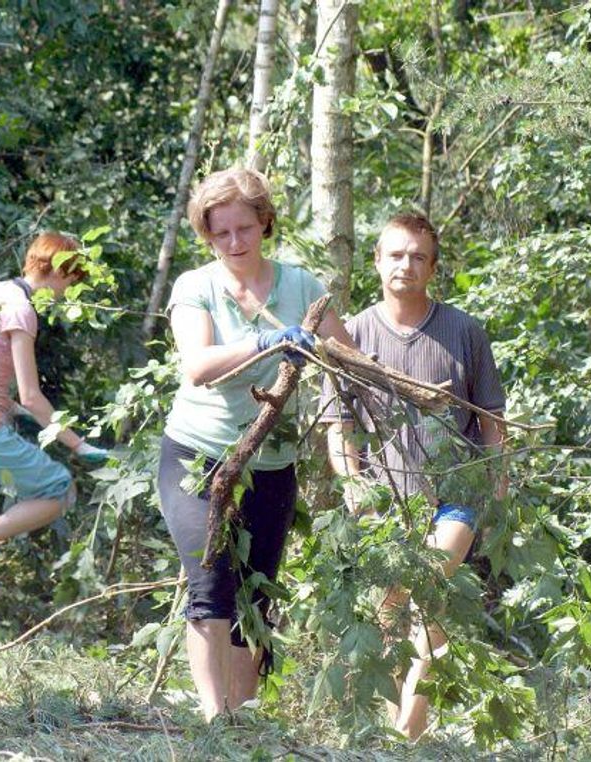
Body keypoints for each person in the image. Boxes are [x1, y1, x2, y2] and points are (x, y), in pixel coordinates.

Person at [159, 167, 351, 721]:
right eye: (221, 234)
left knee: (256, 596)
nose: (235, 243)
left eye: (245, 228)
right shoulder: (196, 287)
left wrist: (329, 357)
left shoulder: (301, 287)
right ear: (207, 235)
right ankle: (212, 717)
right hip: (198, 455)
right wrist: (265, 341)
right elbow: (197, 367)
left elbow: (347, 356)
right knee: (211, 581)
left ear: (266, 223)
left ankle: (242, 720)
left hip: (271, 461)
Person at [322, 212, 507, 740]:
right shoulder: (352, 333)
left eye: (418, 256)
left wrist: (497, 491)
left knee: (426, 586)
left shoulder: (465, 331)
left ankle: (408, 728)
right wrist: (353, 483)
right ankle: (406, 734)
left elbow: (492, 422)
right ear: (377, 261)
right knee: (392, 610)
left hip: (457, 492)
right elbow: (339, 425)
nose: (407, 264)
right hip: (384, 499)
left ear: (433, 267)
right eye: (396, 254)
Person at [0, 232, 108, 650]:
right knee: (58, 489)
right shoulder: (23, 310)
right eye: (70, 282)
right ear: (56, 270)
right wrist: (79, 445)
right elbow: (32, 394)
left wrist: (5, 403)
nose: (68, 293)